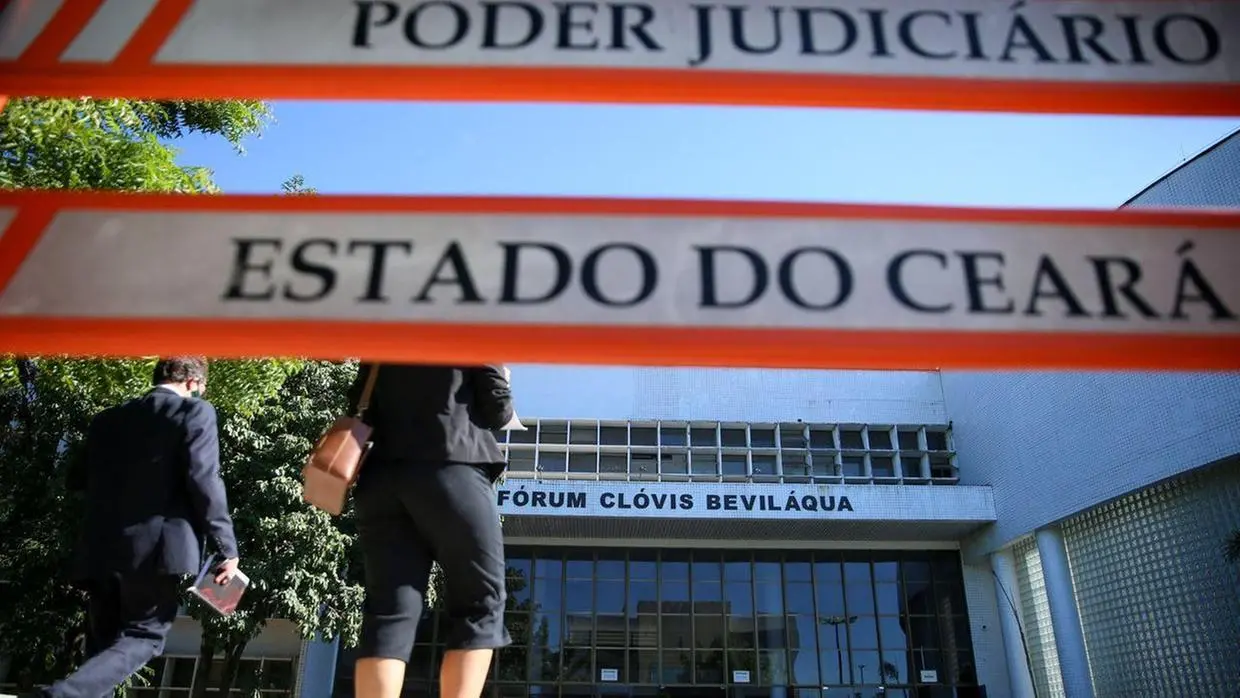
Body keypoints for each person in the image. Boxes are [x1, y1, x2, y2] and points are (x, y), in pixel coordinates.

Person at [41, 357, 240, 698]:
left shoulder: (108, 420)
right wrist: (227, 547)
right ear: (193, 383)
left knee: (103, 645)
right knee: (146, 635)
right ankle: (62, 695)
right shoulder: (194, 412)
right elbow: (204, 479)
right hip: (153, 550)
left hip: (99, 549)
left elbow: (75, 478)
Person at [348, 363, 514, 698]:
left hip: (380, 478)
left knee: (388, 612)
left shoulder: (384, 333)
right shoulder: (472, 332)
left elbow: (357, 399)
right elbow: (498, 411)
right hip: (451, 465)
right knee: (480, 605)